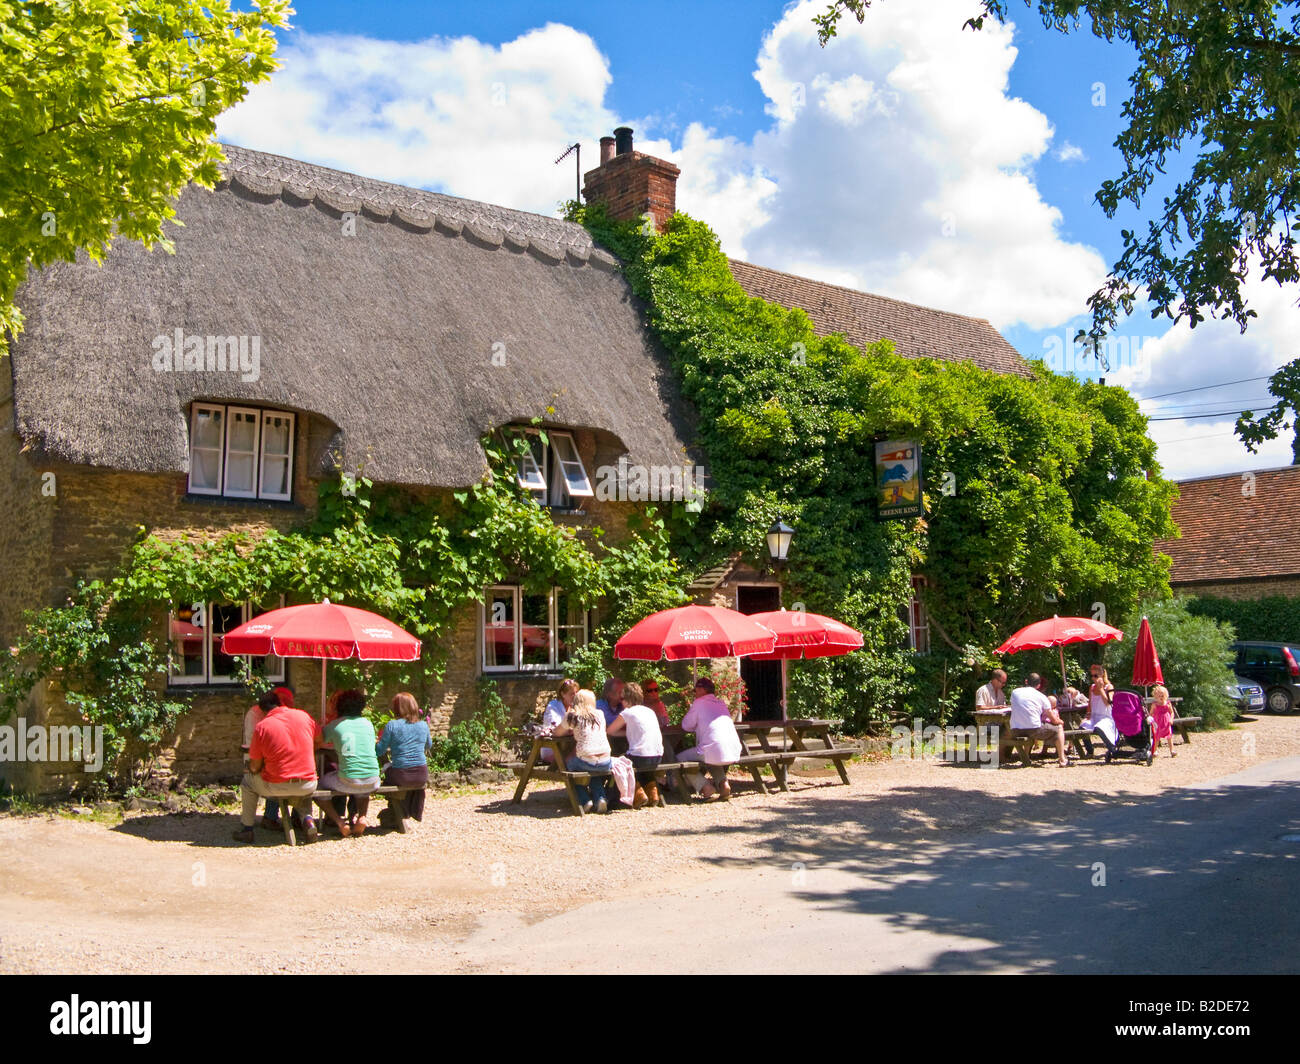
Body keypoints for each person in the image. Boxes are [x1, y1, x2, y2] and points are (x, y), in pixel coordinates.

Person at [234, 690, 319, 843]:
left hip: (278, 785)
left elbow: (254, 766)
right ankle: (307, 819)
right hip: (309, 784)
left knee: (248, 782)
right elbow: (320, 738)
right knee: (302, 782)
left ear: (262, 710)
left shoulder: (262, 726)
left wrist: (258, 768)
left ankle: (247, 830)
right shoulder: (303, 716)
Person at [314, 689, 381, 837]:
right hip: (374, 779)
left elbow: (318, 741)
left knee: (317, 788)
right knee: (362, 785)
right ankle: (362, 816)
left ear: (339, 706)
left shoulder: (336, 725)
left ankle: (339, 822)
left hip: (349, 780)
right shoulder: (368, 724)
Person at [678, 677, 743, 799]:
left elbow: (686, 726)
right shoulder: (721, 703)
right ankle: (723, 784)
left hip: (713, 749)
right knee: (712, 755)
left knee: (680, 759)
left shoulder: (699, 703)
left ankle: (705, 787)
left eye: (695, 690)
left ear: (701, 690)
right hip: (733, 749)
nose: (694, 694)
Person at [376, 692, 433, 824]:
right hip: (421, 774)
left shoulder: (392, 725)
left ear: (397, 708)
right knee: (396, 769)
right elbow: (428, 745)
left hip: (402, 775)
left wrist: (379, 742)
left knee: (386, 765)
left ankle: (397, 810)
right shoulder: (423, 725)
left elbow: (379, 751)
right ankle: (405, 811)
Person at [605, 681, 664, 808]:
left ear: (626, 699)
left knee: (620, 763)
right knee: (641, 759)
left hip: (640, 757)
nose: (621, 702)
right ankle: (652, 792)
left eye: (622, 699)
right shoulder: (649, 711)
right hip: (658, 756)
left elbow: (610, 731)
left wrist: (623, 733)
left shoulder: (627, 712)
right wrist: (628, 733)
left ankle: (637, 794)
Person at [553, 688, 612, 813]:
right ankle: (600, 798)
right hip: (606, 760)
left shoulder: (573, 715)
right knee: (592, 768)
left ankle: (585, 800)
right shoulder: (600, 713)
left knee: (568, 765)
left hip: (587, 758)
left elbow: (557, 733)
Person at [241, 689, 284, 832]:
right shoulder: (255, 716)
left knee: (273, 775)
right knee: (271, 773)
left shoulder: (280, 717)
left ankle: (248, 828)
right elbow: (255, 745)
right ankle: (303, 819)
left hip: (275, 766)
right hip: (265, 760)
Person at [1008, 672, 1069, 767]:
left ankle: (1026, 756)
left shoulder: (1015, 692)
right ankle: (1062, 758)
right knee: (1059, 728)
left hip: (1015, 730)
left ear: (1026, 681)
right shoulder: (1042, 697)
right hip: (1034, 730)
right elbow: (1053, 719)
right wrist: (1059, 721)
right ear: (1039, 685)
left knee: (1027, 725)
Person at [1082, 665, 1119, 757]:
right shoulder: (1092, 687)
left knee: (1100, 728)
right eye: (1092, 676)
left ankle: (1112, 749)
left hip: (1106, 717)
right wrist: (1088, 714)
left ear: (1102, 675)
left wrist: (1101, 689)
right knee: (1082, 727)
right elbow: (1090, 702)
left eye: (1096, 676)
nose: (1093, 678)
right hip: (1094, 716)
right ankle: (1090, 751)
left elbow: (1108, 703)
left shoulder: (1109, 687)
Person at [540, 678, 578, 765]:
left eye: (576, 693)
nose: (575, 696)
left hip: (569, 748)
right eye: (572, 694)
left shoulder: (575, 706)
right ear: (563, 694)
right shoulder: (553, 706)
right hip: (552, 748)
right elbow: (556, 730)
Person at [1151, 684, 1176, 758]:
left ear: (1166, 695)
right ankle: (1155, 750)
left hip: (1166, 721)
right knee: (1157, 737)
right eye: (1159, 696)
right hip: (1158, 722)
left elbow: (1171, 712)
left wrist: (1171, 719)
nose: (1161, 698)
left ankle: (1172, 750)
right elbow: (1151, 713)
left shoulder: (1168, 703)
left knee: (1169, 736)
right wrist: (1152, 721)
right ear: (1155, 696)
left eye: (1162, 696)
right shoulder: (1154, 704)